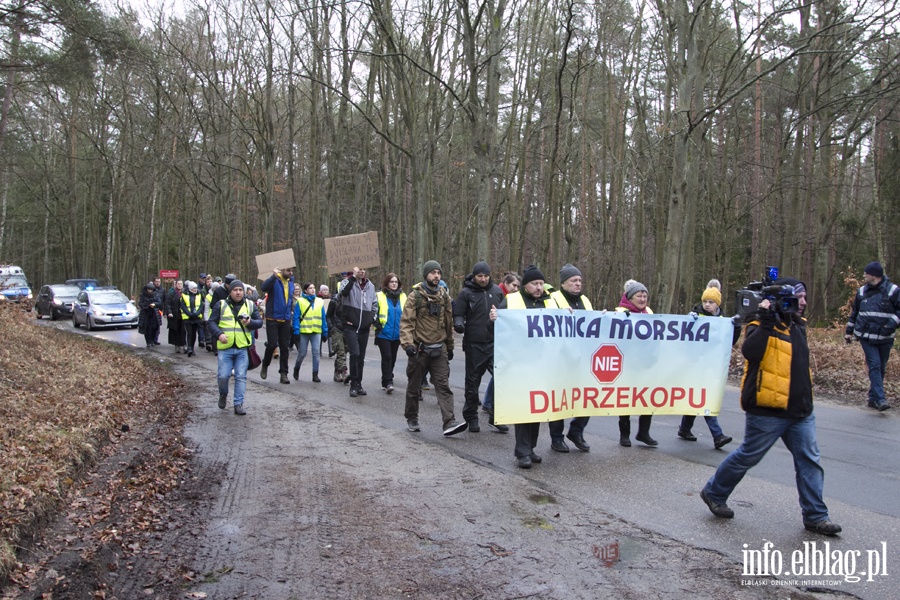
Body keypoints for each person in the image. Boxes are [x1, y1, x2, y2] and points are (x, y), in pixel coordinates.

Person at [701, 277, 842, 536]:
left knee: (809, 461)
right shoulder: (759, 324)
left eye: (803, 297)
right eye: (796, 297)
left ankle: (816, 516)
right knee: (749, 455)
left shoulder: (798, 325)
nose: (802, 302)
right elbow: (750, 353)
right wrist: (766, 321)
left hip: (800, 410)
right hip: (768, 409)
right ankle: (714, 492)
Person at [490, 265, 559, 468]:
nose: (538, 287)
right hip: (519, 363)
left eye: (540, 283)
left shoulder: (551, 302)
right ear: (525, 286)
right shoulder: (511, 301)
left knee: (537, 408)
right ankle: (522, 452)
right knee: (523, 408)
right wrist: (493, 320)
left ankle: (531, 447)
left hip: (543, 364)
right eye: (534, 284)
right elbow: (494, 328)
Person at [400, 261, 466, 436]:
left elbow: (448, 322)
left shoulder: (444, 297)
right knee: (414, 387)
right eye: (433, 273)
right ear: (425, 275)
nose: (436, 275)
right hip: (419, 350)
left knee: (443, 387)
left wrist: (450, 346)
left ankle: (449, 422)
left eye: (438, 272)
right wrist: (408, 345)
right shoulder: (415, 296)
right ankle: (412, 417)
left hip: (440, 350)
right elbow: (407, 322)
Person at [677, 279, 736, 448]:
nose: (707, 305)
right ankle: (718, 435)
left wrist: (736, 326)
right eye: (705, 301)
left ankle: (684, 428)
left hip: (711, 366)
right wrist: (689, 321)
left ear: (717, 304)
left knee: (698, 399)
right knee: (704, 400)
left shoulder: (723, 321)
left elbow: (730, 341)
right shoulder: (695, 316)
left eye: (711, 302)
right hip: (695, 365)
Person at [453, 261, 505, 433]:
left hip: (494, 344)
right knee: (472, 384)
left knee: (501, 380)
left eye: (486, 276)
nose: (483, 279)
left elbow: (506, 315)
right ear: (474, 276)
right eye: (480, 276)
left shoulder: (497, 292)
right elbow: (459, 314)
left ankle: (497, 417)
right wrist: (459, 323)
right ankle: (471, 417)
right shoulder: (466, 293)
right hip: (474, 344)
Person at [547, 264, 593, 452]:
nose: (578, 283)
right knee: (559, 399)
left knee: (587, 397)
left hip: (581, 358)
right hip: (560, 358)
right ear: (563, 282)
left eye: (580, 280)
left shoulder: (585, 300)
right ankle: (556, 438)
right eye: (573, 280)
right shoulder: (553, 300)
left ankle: (576, 431)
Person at [845, 261, 898, 412]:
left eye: (866, 273)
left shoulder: (893, 290)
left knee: (880, 367)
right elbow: (854, 313)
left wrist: (889, 325)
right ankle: (880, 400)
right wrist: (849, 332)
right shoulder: (861, 291)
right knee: (874, 365)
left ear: (874, 275)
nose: (864, 276)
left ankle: (872, 398)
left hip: (885, 337)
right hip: (866, 337)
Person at [209, 280, 263, 415]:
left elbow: (259, 322)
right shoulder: (220, 305)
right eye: (235, 290)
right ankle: (223, 394)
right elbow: (211, 322)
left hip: (242, 347)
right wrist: (219, 334)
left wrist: (250, 322)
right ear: (230, 291)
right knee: (223, 376)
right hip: (225, 347)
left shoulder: (250, 305)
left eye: (240, 290)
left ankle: (238, 404)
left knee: (240, 376)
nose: (238, 292)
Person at [616, 279, 656, 447]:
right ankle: (625, 435)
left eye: (645, 296)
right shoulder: (619, 313)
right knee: (626, 400)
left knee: (647, 399)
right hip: (627, 365)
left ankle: (643, 432)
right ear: (630, 298)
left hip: (645, 364)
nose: (642, 299)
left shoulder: (650, 313)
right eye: (639, 296)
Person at [482, 272, 520, 424]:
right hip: (492, 340)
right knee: (499, 373)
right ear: (505, 283)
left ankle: (488, 402)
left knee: (498, 373)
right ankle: (490, 404)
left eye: (518, 286)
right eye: (513, 285)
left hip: (505, 341)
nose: (516, 289)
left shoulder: (516, 299)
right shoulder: (498, 295)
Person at [339, 266, 378, 397]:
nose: (362, 271)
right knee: (354, 354)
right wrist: (353, 278)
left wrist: (372, 318)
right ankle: (353, 385)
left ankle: (359, 383)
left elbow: (374, 304)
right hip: (350, 325)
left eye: (363, 269)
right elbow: (343, 293)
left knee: (360, 357)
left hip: (364, 327)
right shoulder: (347, 282)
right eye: (359, 269)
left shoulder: (370, 286)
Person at [260, 267, 296, 384]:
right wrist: (273, 276)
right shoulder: (274, 281)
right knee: (272, 344)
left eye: (292, 271)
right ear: (282, 271)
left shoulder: (291, 282)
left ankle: (284, 373)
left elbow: (289, 299)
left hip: (285, 319)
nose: (290, 273)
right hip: (273, 317)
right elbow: (263, 288)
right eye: (288, 271)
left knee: (285, 347)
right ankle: (265, 364)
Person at [375, 273, 406, 394]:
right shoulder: (380, 296)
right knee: (387, 357)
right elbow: (373, 311)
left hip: (398, 333)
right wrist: (376, 323)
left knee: (392, 358)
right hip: (384, 333)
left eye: (396, 282)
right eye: (392, 281)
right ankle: (388, 382)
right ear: (387, 283)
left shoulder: (403, 297)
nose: (394, 284)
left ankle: (386, 379)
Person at [292, 282, 328, 382]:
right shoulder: (300, 301)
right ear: (305, 291)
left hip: (316, 331)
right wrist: (296, 331)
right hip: (304, 331)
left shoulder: (320, 301)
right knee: (302, 353)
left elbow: (323, 317)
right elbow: (296, 317)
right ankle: (297, 368)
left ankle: (315, 374)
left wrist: (325, 331)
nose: (313, 290)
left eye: (313, 288)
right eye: (310, 288)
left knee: (316, 353)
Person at [327, 275, 349, 382]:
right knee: (340, 352)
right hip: (337, 329)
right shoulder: (334, 301)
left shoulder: (352, 301)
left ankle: (337, 372)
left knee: (344, 352)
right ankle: (345, 372)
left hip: (348, 329)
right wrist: (331, 327)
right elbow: (328, 316)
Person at [180, 280, 205, 357]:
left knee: (194, 333)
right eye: (194, 288)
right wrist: (189, 314)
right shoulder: (184, 295)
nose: (195, 289)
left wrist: (197, 313)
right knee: (189, 333)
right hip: (187, 318)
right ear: (190, 288)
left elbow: (201, 306)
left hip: (196, 317)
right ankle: (189, 347)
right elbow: (183, 306)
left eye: (196, 288)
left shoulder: (199, 295)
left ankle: (192, 348)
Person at [138, 282, 161, 348]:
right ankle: (148, 342)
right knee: (146, 328)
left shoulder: (156, 295)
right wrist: (146, 306)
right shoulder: (143, 295)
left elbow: (159, 303)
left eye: (151, 289)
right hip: (146, 314)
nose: (150, 291)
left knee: (155, 327)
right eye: (148, 289)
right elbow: (140, 303)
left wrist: (154, 304)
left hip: (154, 313)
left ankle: (152, 340)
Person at [166, 280, 186, 353]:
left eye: (181, 284)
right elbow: (168, 304)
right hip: (175, 315)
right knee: (176, 331)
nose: (180, 285)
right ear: (176, 285)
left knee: (183, 331)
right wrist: (169, 312)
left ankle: (183, 345)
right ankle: (176, 345)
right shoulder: (171, 294)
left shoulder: (185, 293)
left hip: (183, 315)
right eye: (178, 284)